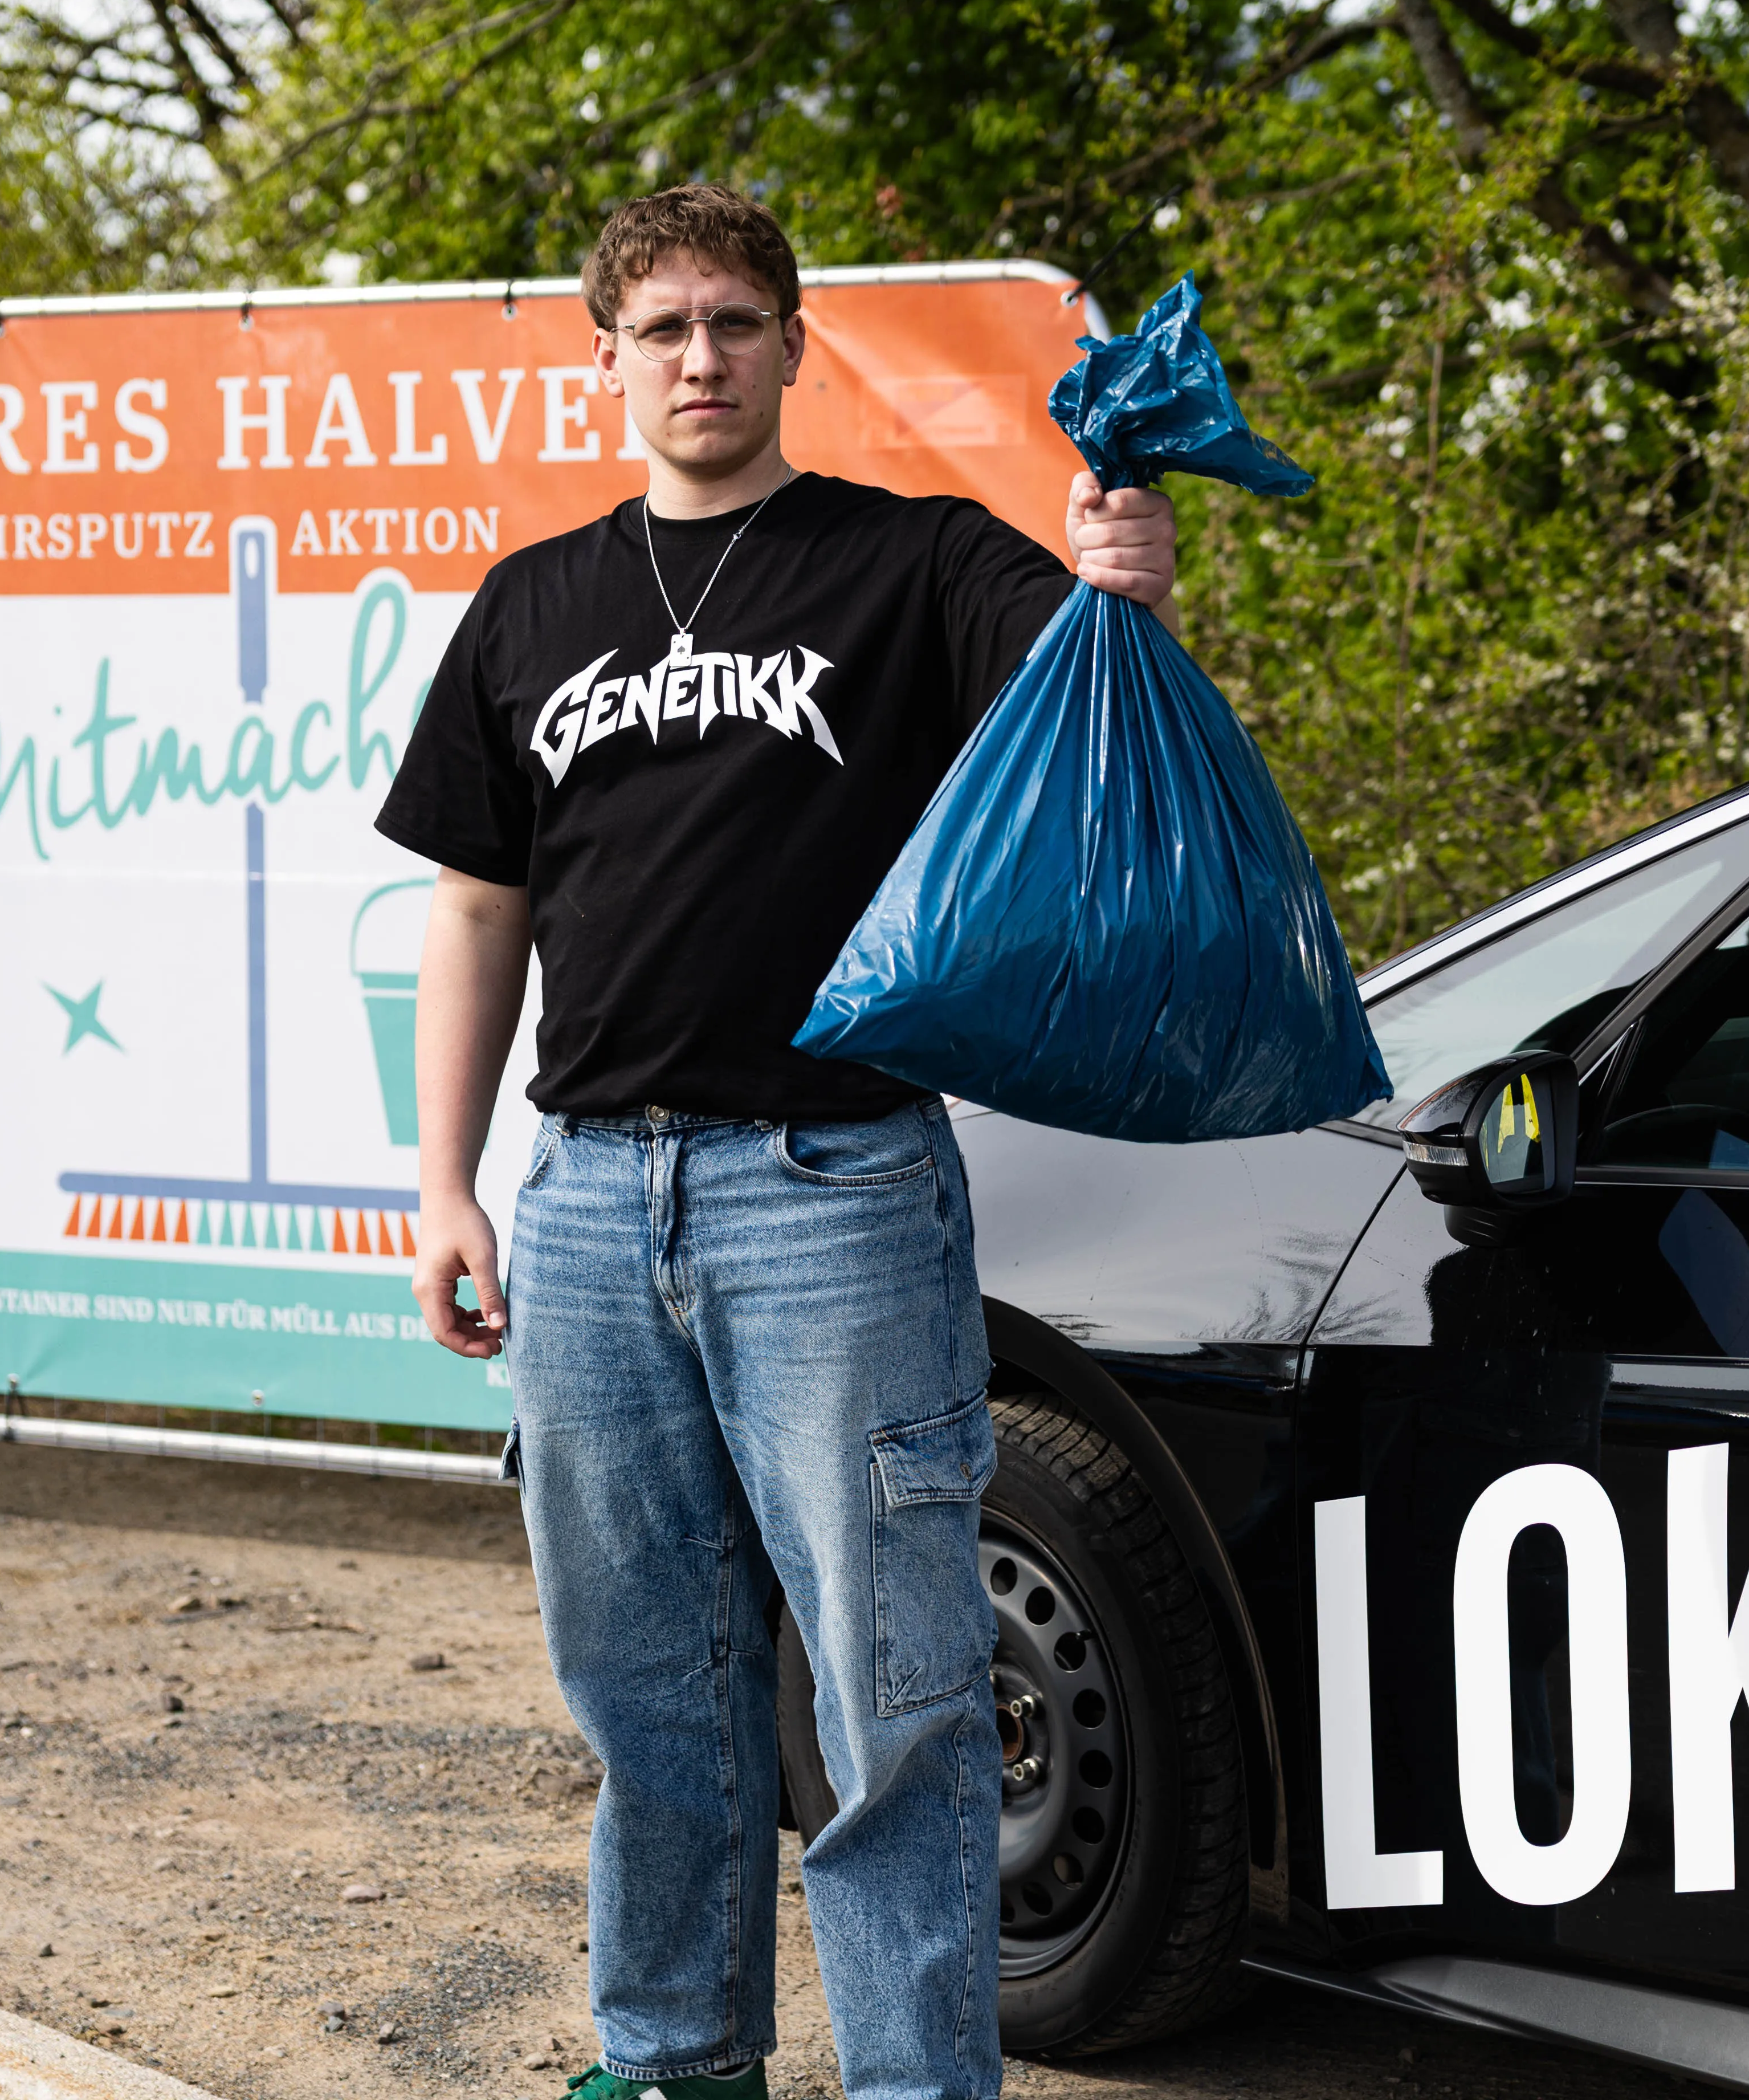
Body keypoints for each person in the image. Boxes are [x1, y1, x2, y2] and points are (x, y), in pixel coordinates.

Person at [378, 183, 1177, 2100]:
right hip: (583, 1205)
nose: (701, 358)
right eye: (661, 328)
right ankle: (674, 2061)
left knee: (899, 1694)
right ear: (608, 360)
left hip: (831, 1190)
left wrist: (1125, 580)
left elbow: (1083, 679)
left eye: (737, 322)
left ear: (797, 347)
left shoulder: (906, 565)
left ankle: (916, 2081)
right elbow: (477, 910)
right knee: (648, 1687)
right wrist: (441, 1183)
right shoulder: (532, 606)